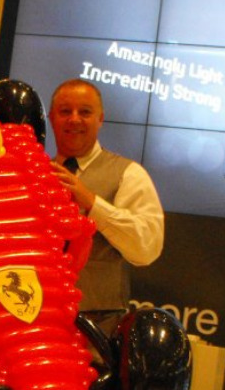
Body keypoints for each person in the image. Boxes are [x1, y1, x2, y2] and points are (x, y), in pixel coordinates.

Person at [47, 79, 164, 312]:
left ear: (100, 119)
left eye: (85, 112)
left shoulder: (128, 174)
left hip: (99, 326)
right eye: (65, 111)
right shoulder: (36, 174)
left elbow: (147, 248)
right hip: (39, 321)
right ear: (51, 118)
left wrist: (93, 204)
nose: (74, 119)